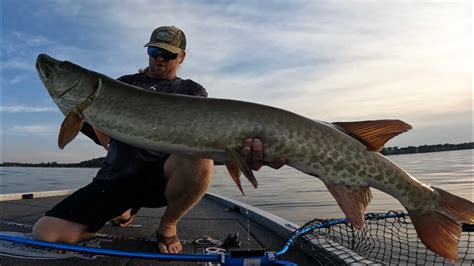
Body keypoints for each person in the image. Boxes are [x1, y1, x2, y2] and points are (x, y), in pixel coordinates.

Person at [32, 26, 286, 254]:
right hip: (115, 178)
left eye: (168, 54)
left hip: (162, 179)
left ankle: (168, 225)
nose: (159, 58)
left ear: (182, 56)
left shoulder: (191, 91)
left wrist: (246, 154)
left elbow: (211, 137)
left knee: (199, 158)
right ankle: (124, 210)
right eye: (154, 51)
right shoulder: (125, 84)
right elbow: (105, 140)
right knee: (46, 234)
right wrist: (77, 113)